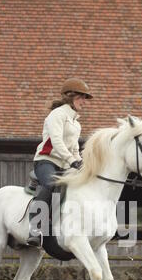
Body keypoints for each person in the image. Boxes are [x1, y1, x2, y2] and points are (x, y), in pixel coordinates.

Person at [27, 77, 93, 247]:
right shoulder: (56, 115)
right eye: (81, 98)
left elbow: (75, 150)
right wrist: (72, 161)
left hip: (65, 164)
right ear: (70, 96)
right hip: (46, 161)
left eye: (85, 99)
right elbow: (57, 142)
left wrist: (82, 164)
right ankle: (35, 228)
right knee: (50, 184)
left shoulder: (76, 123)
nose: (84, 102)